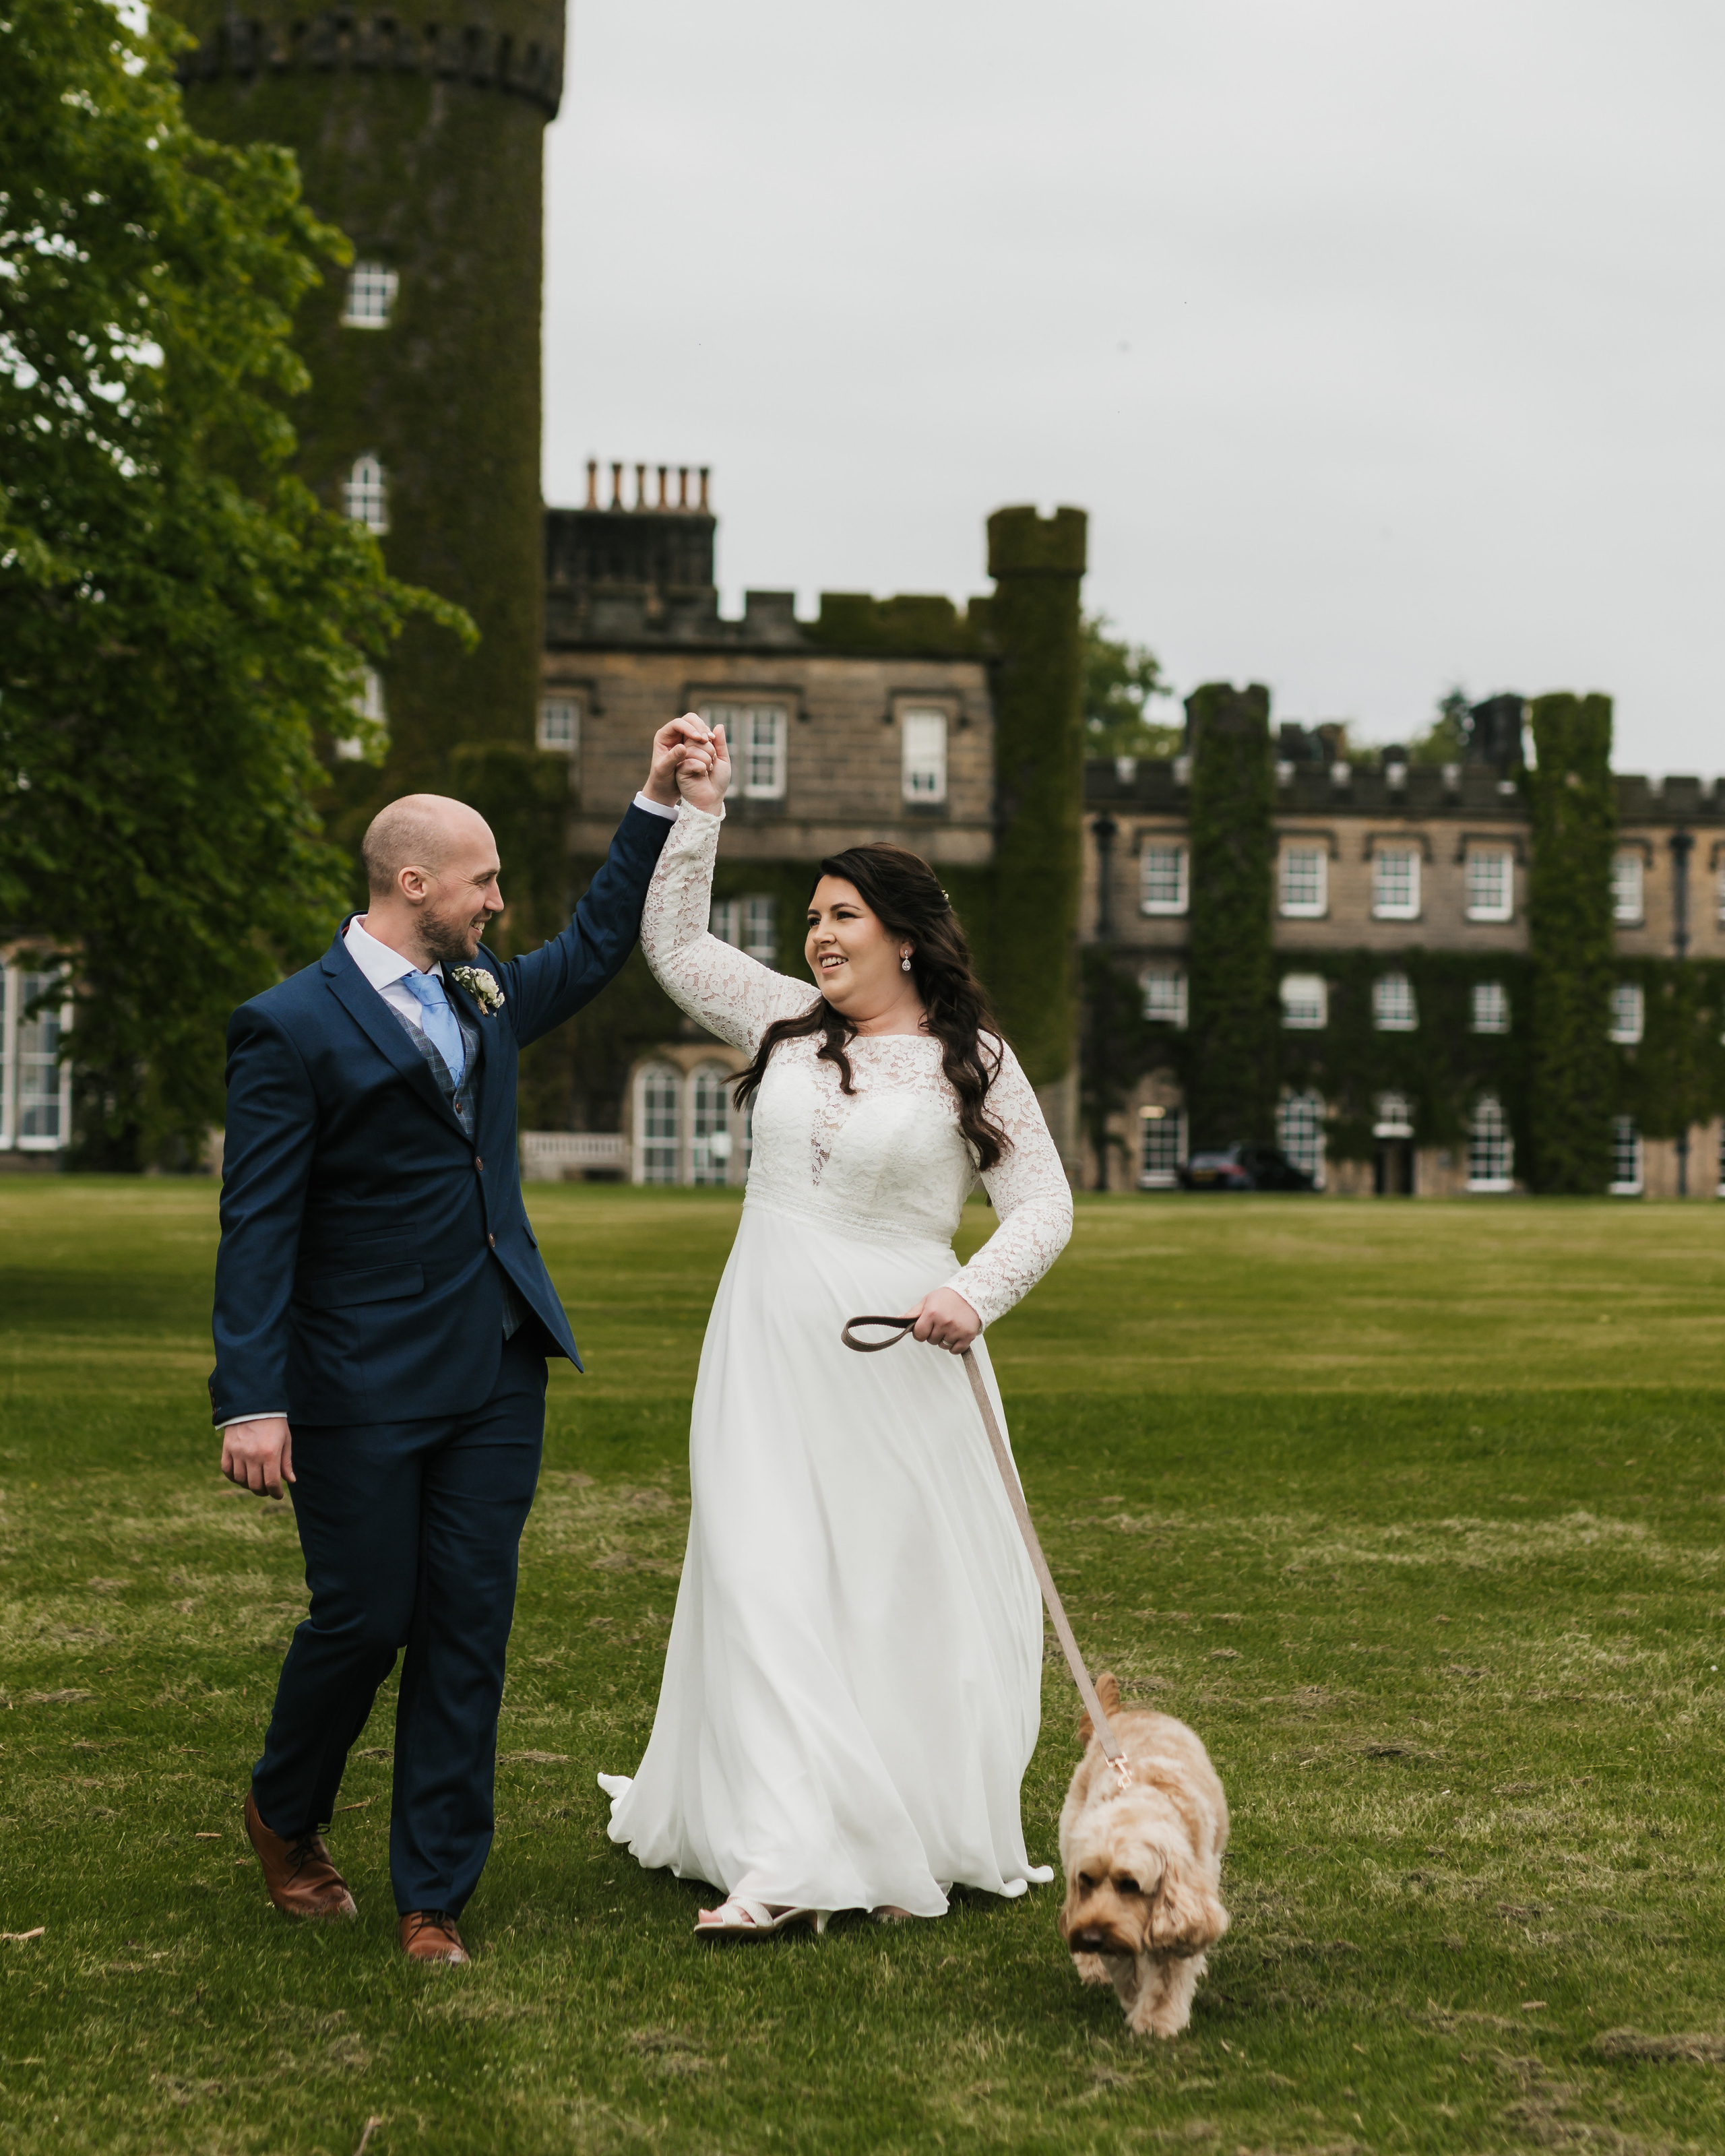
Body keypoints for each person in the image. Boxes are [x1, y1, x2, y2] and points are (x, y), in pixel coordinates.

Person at [210, 716, 712, 1964]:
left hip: (496, 1364)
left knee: (468, 1624)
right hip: (356, 1380)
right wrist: (249, 1397)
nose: (501, 901)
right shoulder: (289, 1026)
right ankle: (285, 1808)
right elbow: (258, 1224)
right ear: (413, 884)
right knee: (367, 1616)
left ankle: (433, 1896)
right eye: (484, 880)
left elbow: (596, 947)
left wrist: (651, 802)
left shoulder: (481, 991)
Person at [600, 718, 1074, 1933]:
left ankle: (876, 1817)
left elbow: (1046, 1204)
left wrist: (974, 1292)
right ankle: (779, 1854)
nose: (817, 936)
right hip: (762, 1347)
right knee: (762, 1575)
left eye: (842, 917)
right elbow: (672, 943)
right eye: (812, 916)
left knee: (878, 1591)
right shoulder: (782, 1025)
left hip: (896, 1360)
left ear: (905, 938)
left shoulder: (977, 1062)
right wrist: (692, 807)